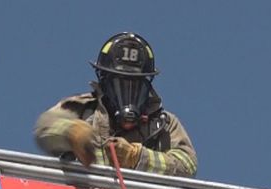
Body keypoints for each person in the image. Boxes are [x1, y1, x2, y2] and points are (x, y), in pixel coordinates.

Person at [33, 32, 197, 177]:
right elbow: (44, 128)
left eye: (135, 83)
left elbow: (187, 164)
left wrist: (137, 157)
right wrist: (71, 132)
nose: (128, 91)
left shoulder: (164, 123)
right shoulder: (83, 108)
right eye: (120, 82)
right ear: (104, 81)